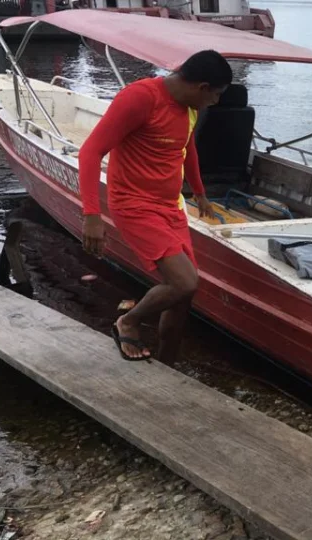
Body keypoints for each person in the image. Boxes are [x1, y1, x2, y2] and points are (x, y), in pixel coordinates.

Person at [78, 50, 233, 361]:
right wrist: (92, 215)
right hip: (133, 205)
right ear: (201, 87)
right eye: (215, 95)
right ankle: (128, 321)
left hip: (170, 207)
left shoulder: (189, 109)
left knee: (182, 296)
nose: (214, 103)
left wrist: (200, 193)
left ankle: (168, 363)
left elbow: (186, 150)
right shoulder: (140, 98)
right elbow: (90, 152)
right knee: (184, 281)